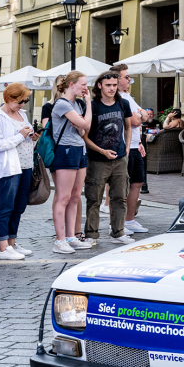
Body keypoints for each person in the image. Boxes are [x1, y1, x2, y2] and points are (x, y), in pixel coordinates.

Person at [0, 83, 39, 260]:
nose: (23, 104)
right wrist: (20, 136)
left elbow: (25, 139)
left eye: (25, 101)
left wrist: (33, 138)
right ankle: (3, 248)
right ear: (9, 98)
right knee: (5, 206)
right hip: (8, 167)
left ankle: (12, 242)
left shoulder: (22, 114)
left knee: (19, 206)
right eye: (20, 101)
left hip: (25, 165)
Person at [84, 71, 132, 245]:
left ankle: (118, 232)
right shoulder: (93, 106)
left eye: (114, 85)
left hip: (119, 159)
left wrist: (126, 148)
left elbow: (128, 127)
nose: (112, 88)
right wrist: (101, 151)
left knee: (120, 197)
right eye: (108, 85)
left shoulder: (123, 103)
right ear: (100, 86)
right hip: (97, 159)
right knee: (94, 198)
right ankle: (91, 234)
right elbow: (85, 135)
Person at [50, 71, 92, 254]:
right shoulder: (62, 104)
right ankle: (60, 241)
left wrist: (83, 122)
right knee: (64, 197)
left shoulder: (77, 104)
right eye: (83, 84)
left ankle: (71, 237)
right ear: (72, 84)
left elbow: (85, 130)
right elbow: (84, 125)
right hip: (66, 150)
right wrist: (88, 107)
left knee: (75, 196)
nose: (86, 87)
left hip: (79, 150)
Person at [111, 64, 149, 235]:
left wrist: (141, 115)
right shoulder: (118, 97)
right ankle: (118, 224)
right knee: (121, 187)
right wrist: (141, 115)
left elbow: (146, 115)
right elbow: (136, 120)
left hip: (135, 145)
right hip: (123, 147)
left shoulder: (128, 97)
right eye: (126, 77)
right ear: (117, 79)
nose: (129, 80)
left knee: (137, 183)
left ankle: (130, 220)